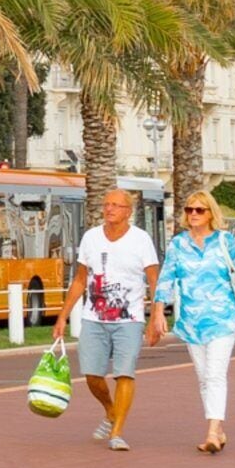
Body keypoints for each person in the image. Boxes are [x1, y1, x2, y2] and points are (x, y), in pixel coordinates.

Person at [160, 190, 235, 455]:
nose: (193, 214)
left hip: (223, 318)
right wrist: (158, 310)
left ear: (210, 213)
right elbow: (166, 277)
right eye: (190, 209)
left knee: (215, 375)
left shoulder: (225, 241)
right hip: (191, 321)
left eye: (199, 210)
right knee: (204, 378)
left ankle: (213, 431)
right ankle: (219, 428)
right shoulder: (179, 244)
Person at [62, 186, 157, 451]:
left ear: (128, 212)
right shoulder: (91, 238)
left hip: (130, 319)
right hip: (94, 317)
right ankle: (110, 410)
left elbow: (153, 279)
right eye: (106, 204)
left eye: (116, 205)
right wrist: (63, 316)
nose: (109, 209)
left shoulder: (141, 240)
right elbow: (80, 279)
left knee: (124, 373)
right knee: (92, 374)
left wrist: (155, 315)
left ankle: (117, 432)